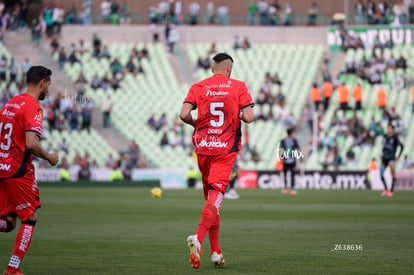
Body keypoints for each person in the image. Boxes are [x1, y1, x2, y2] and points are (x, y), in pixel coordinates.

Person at [180, 53, 254, 269]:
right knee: (216, 198)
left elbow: (184, 114)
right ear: (229, 69)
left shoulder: (199, 86)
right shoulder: (238, 86)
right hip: (225, 149)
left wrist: (197, 124)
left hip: (203, 149)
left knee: (212, 200)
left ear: (213, 69)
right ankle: (198, 239)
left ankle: (216, 252)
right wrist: (235, 112)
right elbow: (249, 117)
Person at [0, 66, 59, 275]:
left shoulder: (9, 103)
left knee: (8, 222)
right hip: (17, 169)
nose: (48, 90)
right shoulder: (33, 107)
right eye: (49, 85)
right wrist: (50, 157)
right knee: (29, 217)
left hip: (1, 167)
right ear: (42, 83)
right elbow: (31, 143)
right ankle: (12, 269)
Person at [380, 124, 404, 197]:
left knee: (392, 173)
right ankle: (385, 189)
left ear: (393, 130)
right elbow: (384, 147)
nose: (388, 130)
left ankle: (391, 191)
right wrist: (382, 153)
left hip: (391, 157)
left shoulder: (395, 138)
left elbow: (402, 146)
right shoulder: (385, 136)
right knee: (380, 173)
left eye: (390, 128)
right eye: (388, 128)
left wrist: (398, 156)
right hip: (384, 157)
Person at [279, 128, 301, 195]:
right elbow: (298, 149)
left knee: (285, 174)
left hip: (285, 159)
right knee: (292, 175)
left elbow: (280, 149)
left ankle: (285, 189)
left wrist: (280, 157)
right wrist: (300, 157)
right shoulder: (294, 140)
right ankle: (292, 189)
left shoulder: (283, 140)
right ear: (291, 133)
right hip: (292, 159)